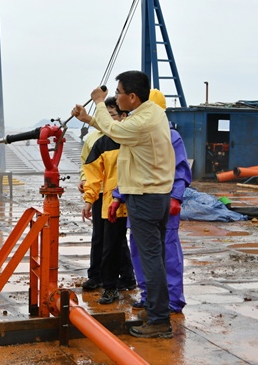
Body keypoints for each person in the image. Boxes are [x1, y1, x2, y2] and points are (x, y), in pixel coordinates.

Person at [71, 70, 175, 339]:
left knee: (150, 260)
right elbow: (118, 133)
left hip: (145, 197)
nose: (115, 97)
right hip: (156, 196)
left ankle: (159, 321)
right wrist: (91, 120)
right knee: (156, 258)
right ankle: (155, 310)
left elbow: (117, 129)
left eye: (118, 93)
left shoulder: (141, 122)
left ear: (132, 96)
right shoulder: (151, 114)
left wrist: (97, 102)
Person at [111, 89, 191, 315]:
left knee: (167, 254)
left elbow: (179, 169)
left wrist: (176, 196)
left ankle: (172, 300)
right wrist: (118, 196)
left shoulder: (170, 136)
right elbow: (129, 168)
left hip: (158, 200)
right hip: (139, 201)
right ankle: (149, 296)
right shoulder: (137, 133)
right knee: (140, 251)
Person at [79, 97, 136, 303]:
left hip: (137, 201)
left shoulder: (135, 139)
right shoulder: (101, 143)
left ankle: (137, 283)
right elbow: (93, 174)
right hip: (111, 203)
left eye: (112, 115)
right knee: (109, 245)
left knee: (142, 247)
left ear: (124, 116)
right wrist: (89, 199)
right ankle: (109, 286)